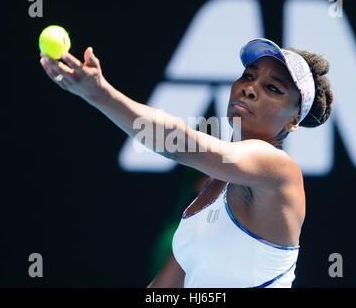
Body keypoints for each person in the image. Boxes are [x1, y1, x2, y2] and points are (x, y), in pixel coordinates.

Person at [39, 38, 333, 288]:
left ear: (294, 120)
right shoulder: (205, 200)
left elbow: (176, 143)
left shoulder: (279, 170)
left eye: (273, 88)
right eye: (248, 75)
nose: (250, 88)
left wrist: (100, 94)